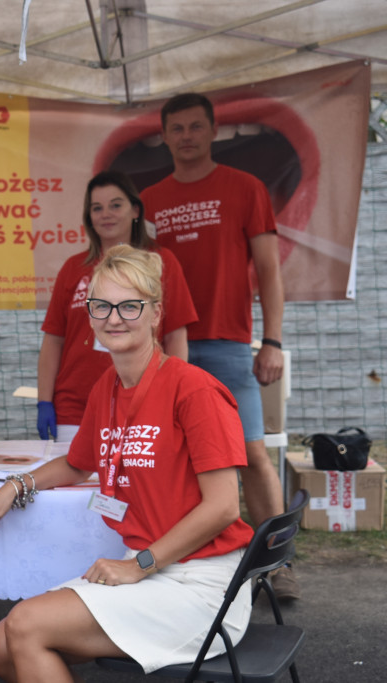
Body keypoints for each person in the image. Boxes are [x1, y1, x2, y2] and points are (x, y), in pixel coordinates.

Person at [0, 245, 253, 682]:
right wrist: (15, 485)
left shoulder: (194, 391)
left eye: (130, 305)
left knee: (26, 626)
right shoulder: (108, 384)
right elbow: (77, 465)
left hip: (200, 584)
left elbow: (223, 508)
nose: (114, 318)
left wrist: (138, 564)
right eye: (101, 305)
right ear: (89, 314)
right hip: (150, 571)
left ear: (156, 313)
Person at [140, 92, 298, 599]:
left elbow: (270, 272)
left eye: (195, 127)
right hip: (165, 347)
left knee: (251, 453)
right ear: (164, 137)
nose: (186, 137)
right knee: (176, 460)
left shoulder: (246, 188)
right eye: (177, 129)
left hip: (229, 344)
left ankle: (278, 567)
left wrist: (271, 341)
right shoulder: (150, 200)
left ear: (212, 133)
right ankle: (197, 562)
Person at [36, 170, 197, 442]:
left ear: (135, 210)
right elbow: (54, 341)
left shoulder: (162, 262)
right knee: (74, 484)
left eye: (115, 205)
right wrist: (44, 401)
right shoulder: (73, 268)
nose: (106, 214)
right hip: (76, 410)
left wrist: (172, 395)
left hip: (143, 404)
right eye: (96, 208)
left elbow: (175, 337)